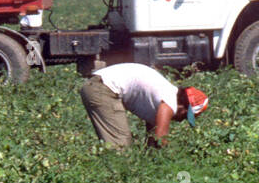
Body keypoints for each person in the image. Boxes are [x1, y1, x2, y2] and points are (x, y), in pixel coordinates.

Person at [79, 61, 207, 148]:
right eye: (185, 116)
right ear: (183, 108)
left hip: (98, 85)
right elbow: (160, 139)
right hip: (103, 88)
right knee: (120, 147)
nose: (181, 121)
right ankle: (114, 182)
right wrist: (170, 161)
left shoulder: (163, 97)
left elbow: (152, 137)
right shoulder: (170, 104)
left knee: (119, 144)